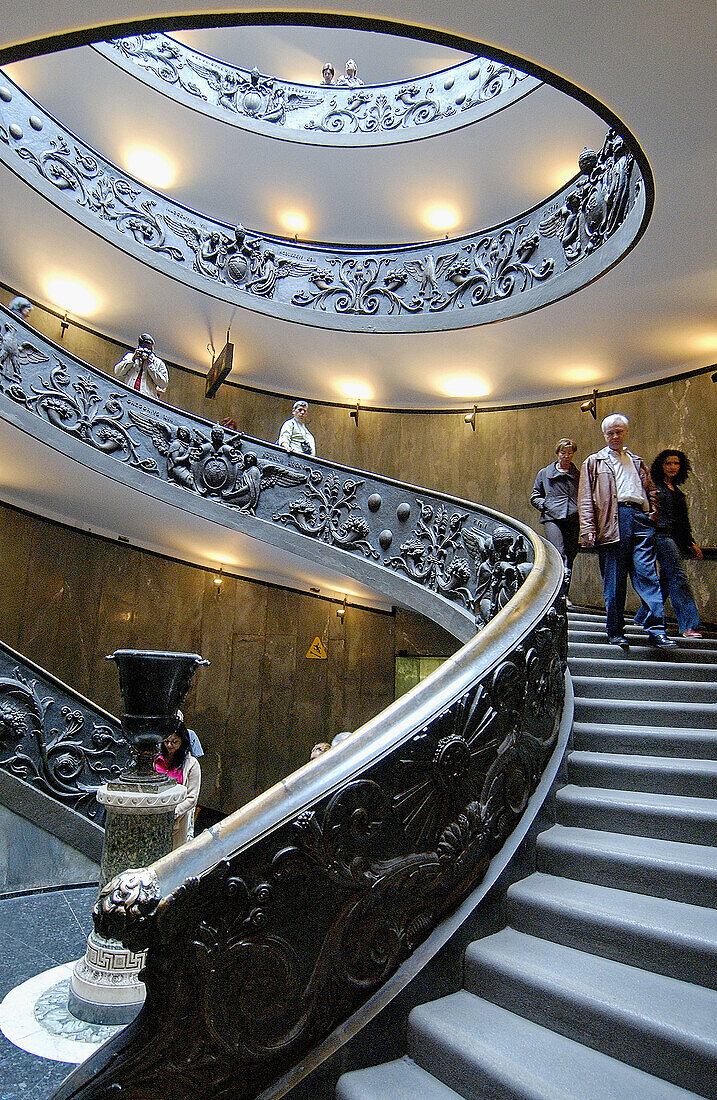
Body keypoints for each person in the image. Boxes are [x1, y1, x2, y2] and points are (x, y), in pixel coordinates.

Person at [578, 413, 676, 649]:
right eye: (610, 432)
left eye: (619, 431)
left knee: (648, 575)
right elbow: (584, 499)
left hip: (640, 519)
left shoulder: (637, 461)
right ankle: (615, 631)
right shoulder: (594, 462)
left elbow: (650, 489)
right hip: (613, 520)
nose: (615, 436)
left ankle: (657, 630)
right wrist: (588, 528)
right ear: (604, 435)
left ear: (626, 432)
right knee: (614, 582)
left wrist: (651, 513)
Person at [639, 449, 703, 638]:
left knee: (667, 580)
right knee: (679, 577)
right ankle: (689, 625)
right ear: (661, 465)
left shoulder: (676, 491)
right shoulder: (655, 487)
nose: (673, 467)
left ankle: (643, 616)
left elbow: (682, 522)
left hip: (673, 538)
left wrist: (690, 543)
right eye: (668, 463)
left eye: (676, 463)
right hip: (660, 536)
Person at [530, 438, 580, 590]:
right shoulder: (545, 473)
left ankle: (564, 592)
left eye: (569, 453)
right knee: (559, 553)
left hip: (572, 518)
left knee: (570, 556)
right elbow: (535, 495)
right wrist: (545, 504)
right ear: (557, 453)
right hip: (552, 517)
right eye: (563, 453)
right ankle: (556, 592)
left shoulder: (578, 475)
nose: (566, 456)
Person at [154, 723, 201, 847]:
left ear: (182, 742)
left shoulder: (191, 764)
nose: (169, 745)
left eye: (174, 742)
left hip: (177, 819)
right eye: (166, 741)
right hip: (154, 815)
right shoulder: (155, 759)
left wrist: (173, 813)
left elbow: (192, 797)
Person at [114, 333, 168, 400]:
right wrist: (133, 359)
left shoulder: (158, 363)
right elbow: (117, 372)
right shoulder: (130, 356)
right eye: (144, 347)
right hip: (129, 396)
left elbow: (163, 384)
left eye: (149, 348)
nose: (146, 351)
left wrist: (151, 366)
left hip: (147, 399)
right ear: (139, 347)